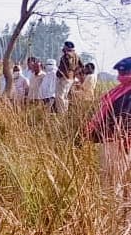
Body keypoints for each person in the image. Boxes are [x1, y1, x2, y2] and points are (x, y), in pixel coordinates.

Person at [85, 57, 131, 203]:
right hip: (110, 140)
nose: (119, 76)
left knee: (113, 180)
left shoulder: (127, 93)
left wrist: (125, 140)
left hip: (121, 143)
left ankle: (114, 216)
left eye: (123, 72)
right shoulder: (121, 90)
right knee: (107, 178)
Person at [55, 41, 82, 113]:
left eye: (64, 47)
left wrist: (62, 74)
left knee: (59, 96)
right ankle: (65, 110)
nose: (63, 48)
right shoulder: (77, 56)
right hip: (71, 78)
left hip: (64, 78)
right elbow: (81, 67)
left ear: (66, 47)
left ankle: (61, 112)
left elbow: (66, 66)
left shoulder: (66, 56)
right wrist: (74, 73)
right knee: (65, 96)